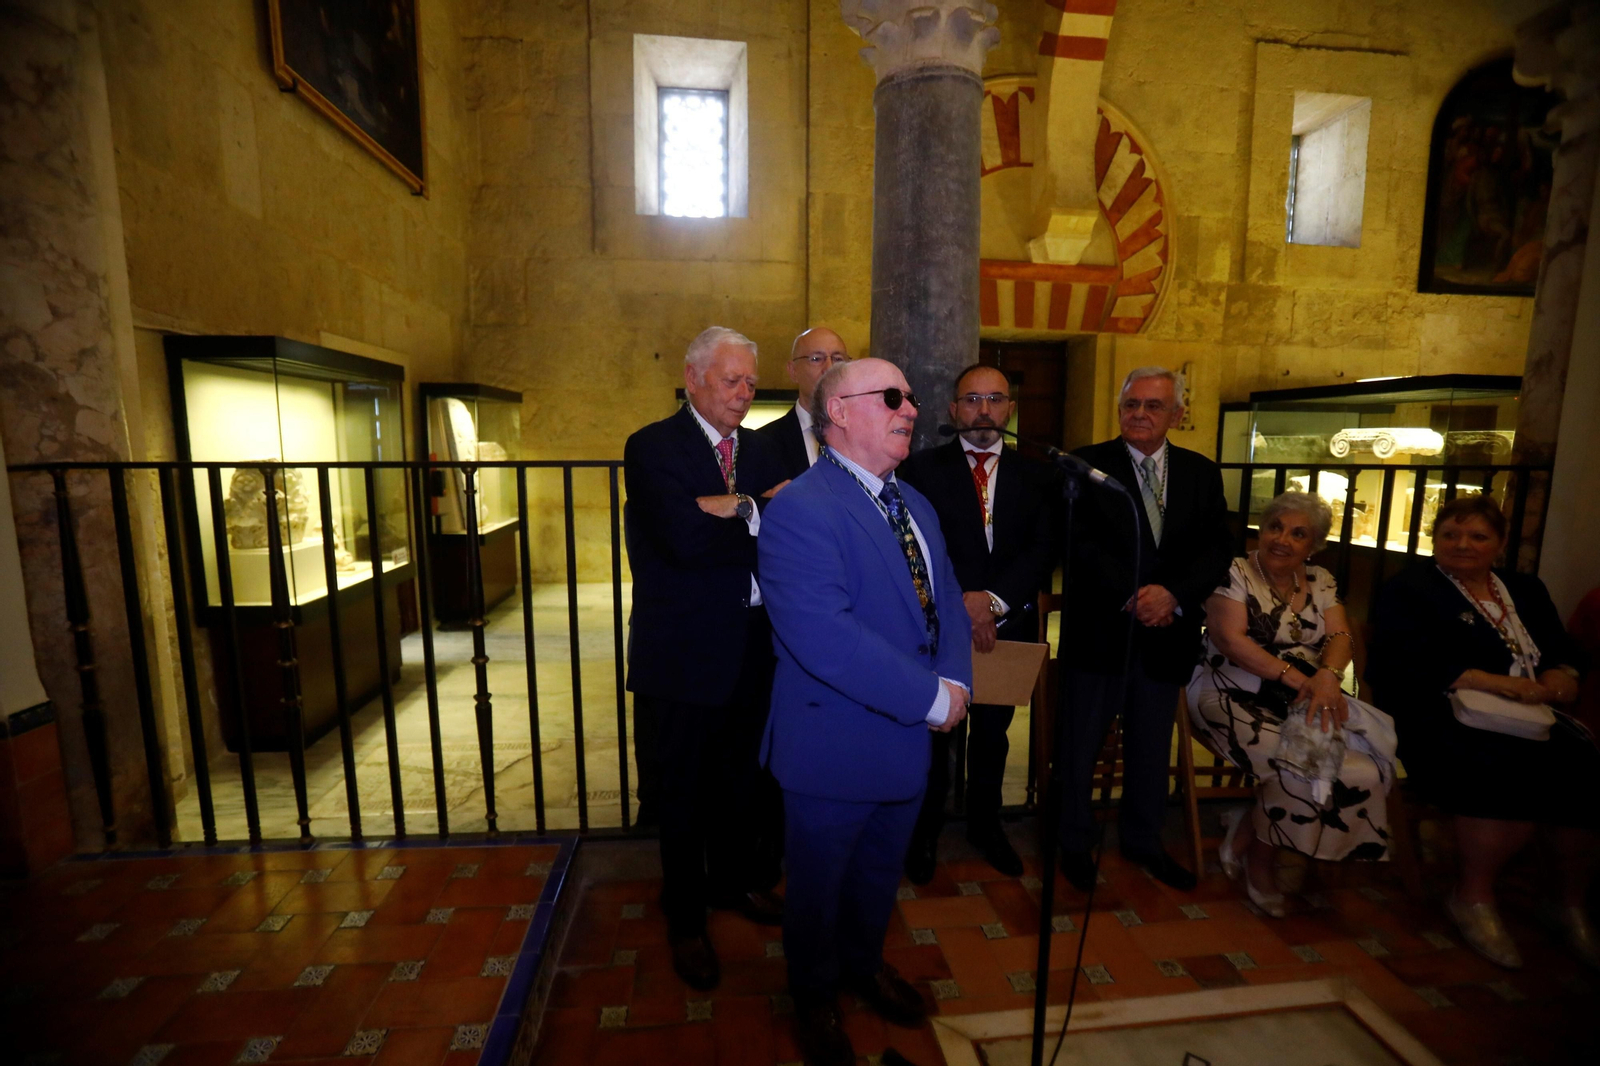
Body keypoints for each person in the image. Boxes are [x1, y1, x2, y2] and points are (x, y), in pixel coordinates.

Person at [759, 358, 972, 1066]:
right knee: (818, 890)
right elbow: (825, 635)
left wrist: (956, 678)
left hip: (906, 742)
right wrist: (932, 697)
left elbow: (946, 603)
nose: (910, 408)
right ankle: (814, 994)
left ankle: (862, 964)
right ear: (839, 412)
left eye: (910, 397)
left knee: (879, 876)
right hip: (834, 743)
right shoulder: (801, 508)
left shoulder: (916, 504)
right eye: (891, 397)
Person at [622, 326, 789, 991]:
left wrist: (732, 509)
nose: (744, 393)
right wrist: (756, 510)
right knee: (683, 789)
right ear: (693, 378)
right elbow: (682, 540)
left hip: (753, 644)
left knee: (741, 780)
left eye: (751, 382)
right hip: (685, 650)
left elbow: (787, 534)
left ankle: (732, 883)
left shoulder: (763, 448)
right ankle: (686, 916)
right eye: (731, 380)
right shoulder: (653, 446)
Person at [1369, 495, 1596, 971]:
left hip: (1530, 717)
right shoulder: (1410, 589)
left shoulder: (1526, 589)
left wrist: (1562, 674)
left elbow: (1561, 649)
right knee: (1500, 765)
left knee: (1583, 767)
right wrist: (1493, 682)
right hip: (1440, 717)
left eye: (1477, 536)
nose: (1462, 545)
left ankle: (1566, 901)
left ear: (1500, 542)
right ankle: (1473, 896)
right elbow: (1399, 665)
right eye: (1450, 534)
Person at [1057, 366, 1232, 892]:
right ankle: (1073, 843)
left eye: (1153, 406)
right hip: (1100, 632)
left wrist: (1173, 594)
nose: (1139, 414)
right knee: (1079, 747)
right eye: (1131, 404)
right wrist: (1137, 596)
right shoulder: (1085, 465)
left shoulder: (1201, 473)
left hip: (1167, 635)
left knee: (1151, 748)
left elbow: (1216, 548)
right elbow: (1077, 544)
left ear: (1177, 414)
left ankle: (1143, 841)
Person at [1188, 491, 1397, 917]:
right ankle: (1259, 863)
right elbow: (1231, 640)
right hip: (1229, 690)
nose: (1282, 539)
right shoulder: (1233, 572)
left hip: (1303, 697)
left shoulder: (1320, 579)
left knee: (1364, 765)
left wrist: (1329, 676)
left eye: (1298, 534)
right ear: (1261, 530)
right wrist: (1302, 680)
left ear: (1314, 545)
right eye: (1275, 527)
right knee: (1296, 764)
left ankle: (1251, 826)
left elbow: (1340, 635)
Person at [898, 364, 1059, 882]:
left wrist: (993, 602)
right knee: (934, 735)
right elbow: (916, 547)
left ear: (1010, 408)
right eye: (971, 399)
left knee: (993, 735)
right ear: (953, 409)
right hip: (940, 627)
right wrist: (962, 606)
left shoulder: (1038, 474)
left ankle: (986, 827)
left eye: (994, 399)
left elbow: (1043, 548)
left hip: (1006, 625)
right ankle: (923, 832)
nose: (983, 410)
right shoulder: (920, 470)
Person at [758, 327, 849, 478]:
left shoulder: (865, 436)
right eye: (816, 359)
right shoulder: (764, 443)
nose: (829, 368)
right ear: (793, 371)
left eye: (838, 359)